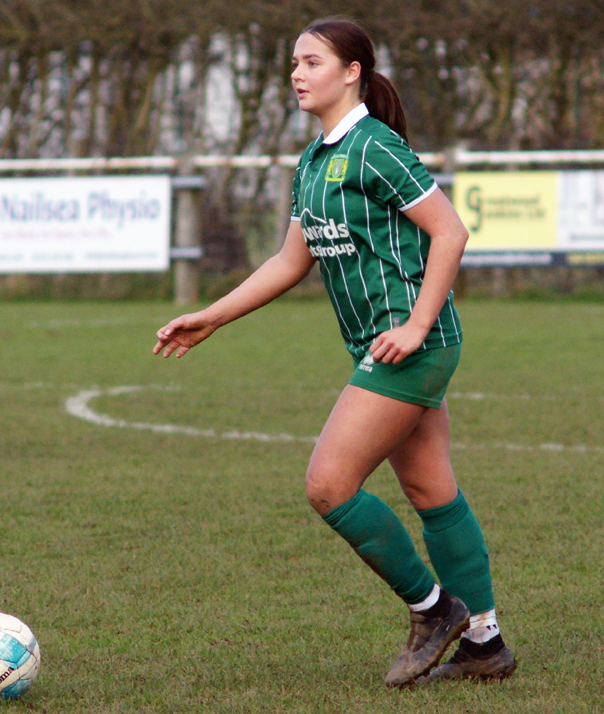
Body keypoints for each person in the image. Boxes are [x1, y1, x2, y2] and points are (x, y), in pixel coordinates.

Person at [153, 17, 516, 687]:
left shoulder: (375, 147)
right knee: (431, 489)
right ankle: (485, 645)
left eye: (312, 61)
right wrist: (212, 317)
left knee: (327, 484)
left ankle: (434, 612)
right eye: (293, 62)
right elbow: (289, 262)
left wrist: (415, 324)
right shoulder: (315, 159)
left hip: (413, 346)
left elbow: (450, 231)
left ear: (352, 71)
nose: (297, 73)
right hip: (380, 344)